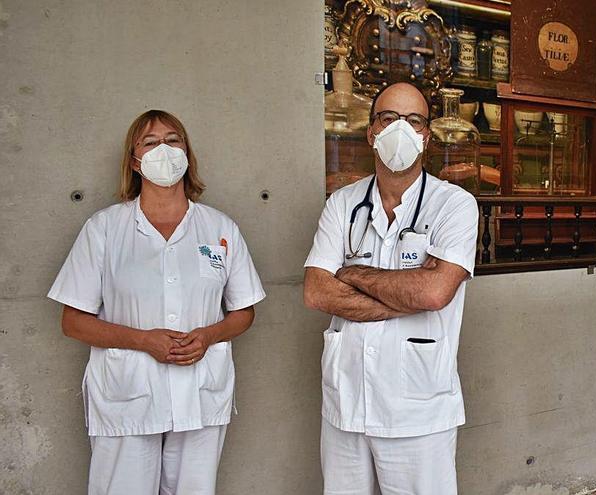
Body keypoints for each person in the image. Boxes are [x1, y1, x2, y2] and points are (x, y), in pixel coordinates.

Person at [47, 110, 266, 495]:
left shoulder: (219, 228)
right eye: (150, 143)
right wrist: (143, 340)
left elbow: (244, 311)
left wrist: (210, 335)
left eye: (173, 139)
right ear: (134, 161)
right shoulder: (105, 229)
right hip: (128, 396)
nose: (163, 149)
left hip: (200, 393)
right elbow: (74, 322)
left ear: (187, 152)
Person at [303, 82, 478, 494]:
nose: (401, 129)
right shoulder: (342, 203)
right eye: (388, 118)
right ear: (371, 132)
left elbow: (436, 293)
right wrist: (408, 295)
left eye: (414, 120)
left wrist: (353, 274)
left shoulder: (454, 205)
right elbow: (315, 291)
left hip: (417, 408)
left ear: (426, 137)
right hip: (346, 404)